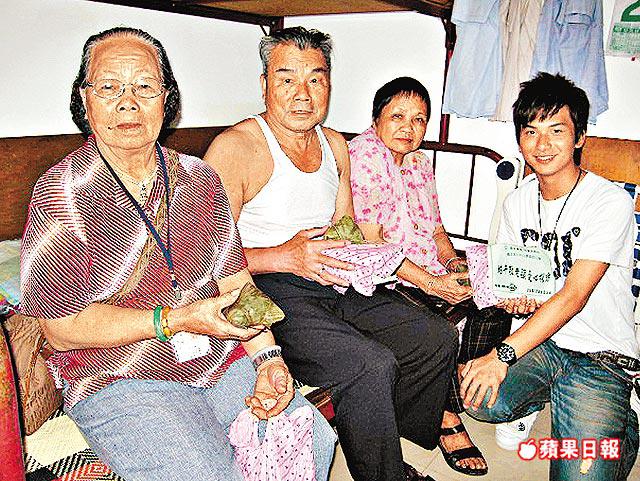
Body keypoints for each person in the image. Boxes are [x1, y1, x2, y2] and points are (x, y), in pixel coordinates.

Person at [19, 27, 336, 481]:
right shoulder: (61, 192)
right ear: (84, 101)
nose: (128, 102)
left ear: (166, 99)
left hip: (216, 358)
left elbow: (235, 282)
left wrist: (269, 359)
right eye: (109, 87)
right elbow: (61, 329)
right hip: (118, 373)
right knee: (210, 473)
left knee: (311, 436)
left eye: (145, 86)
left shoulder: (199, 178)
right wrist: (176, 320)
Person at [204, 26, 458, 481]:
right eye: (287, 79)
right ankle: (385, 472)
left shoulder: (335, 144)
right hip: (267, 287)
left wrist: (379, 262)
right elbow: (207, 255)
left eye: (315, 79)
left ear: (329, 86)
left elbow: (347, 229)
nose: (302, 94)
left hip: (334, 276)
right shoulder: (236, 148)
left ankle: (385, 435)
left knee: (434, 335)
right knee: (369, 364)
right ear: (264, 84)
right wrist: (285, 257)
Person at [461, 72, 640, 480]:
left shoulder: (609, 202)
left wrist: (500, 355)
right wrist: (514, 299)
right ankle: (547, 397)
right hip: (542, 344)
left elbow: (574, 296)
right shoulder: (518, 202)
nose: (542, 145)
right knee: (476, 398)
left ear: (579, 137)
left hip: (600, 356)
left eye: (556, 131)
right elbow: (518, 279)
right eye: (531, 131)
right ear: (519, 139)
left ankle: (624, 423)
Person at [348, 76, 514, 476]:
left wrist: (455, 265)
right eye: (398, 116)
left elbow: (437, 231)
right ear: (376, 118)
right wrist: (432, 283)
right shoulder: (362, 157)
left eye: (419, 119)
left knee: (495, 300)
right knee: (435, 327)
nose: (409, 127)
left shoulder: (420, 163)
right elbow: (373, 246)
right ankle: (445, 414)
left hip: (428, 270)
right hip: (385, 279)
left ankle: (455, 385)